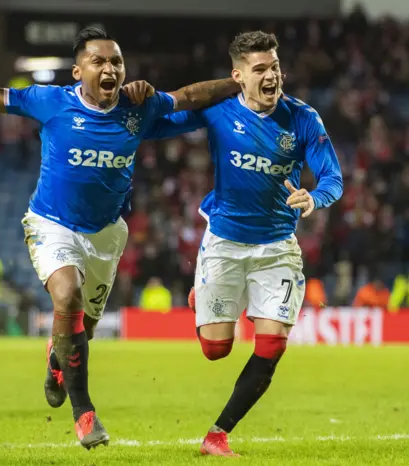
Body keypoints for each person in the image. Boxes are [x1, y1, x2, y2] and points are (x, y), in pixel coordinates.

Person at [0, 23, 239, 449]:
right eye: (98, 61)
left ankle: (56, 359)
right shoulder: (49, 101)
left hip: (106, 235)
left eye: (116, 61)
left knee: (84, 326)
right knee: (66, 297)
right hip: (51, 223)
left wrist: (237, 82)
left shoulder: (139, 108)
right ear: (78, 71)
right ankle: (84, 413)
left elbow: (190, 99)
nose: (110, 68)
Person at [145, 31, 343, 456]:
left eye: (275, 67)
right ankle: (203, 297)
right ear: (238, 76)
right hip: (225, 242)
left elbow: (333, 178)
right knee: (216, 349)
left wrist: (315, 196)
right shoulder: (218, 109)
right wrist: (131, 114)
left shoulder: (303, 118)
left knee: (271, 345)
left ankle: (218, 434)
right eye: (260, 70)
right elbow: (158, 125)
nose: (271, 76)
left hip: (277, 248)